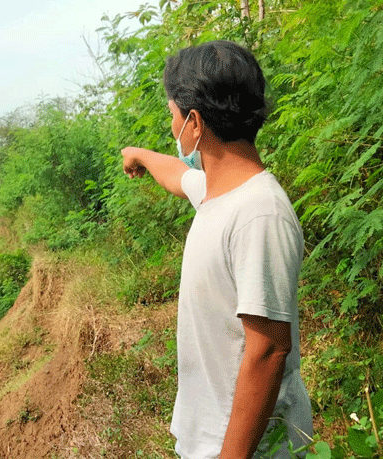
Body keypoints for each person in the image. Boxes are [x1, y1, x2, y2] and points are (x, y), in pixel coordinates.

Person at [121, 40, 313, 459]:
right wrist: (138, 155)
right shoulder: (219, 193)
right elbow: (177, 174)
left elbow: (267, 350)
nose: (171, 128)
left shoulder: (258, 212)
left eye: (172, 115)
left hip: (250, 446)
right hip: (210, 436)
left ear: (193, 123)